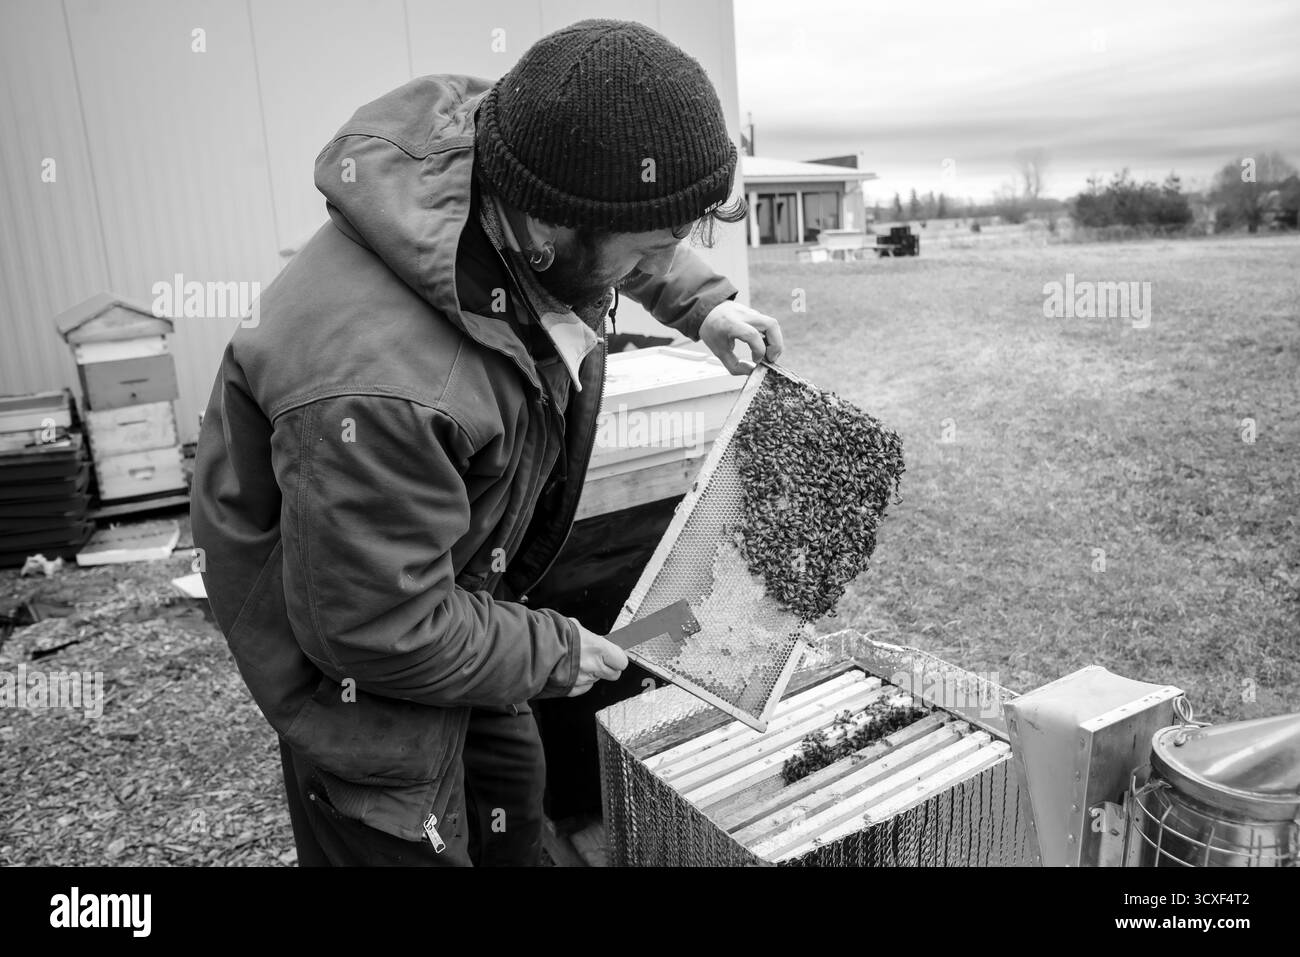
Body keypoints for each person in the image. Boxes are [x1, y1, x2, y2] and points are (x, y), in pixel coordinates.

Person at [191, 18, 784, 866]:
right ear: (550, 227)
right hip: (360, 679)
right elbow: (374, 629)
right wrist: (558, 647)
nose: (664, 256)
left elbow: (618, 223)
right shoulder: (382, 390)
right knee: (397, 832)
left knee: (515, 813)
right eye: (654, 247)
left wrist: (703, 302)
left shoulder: (523, 160)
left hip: (462, 595)